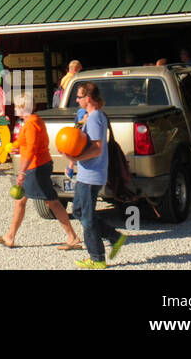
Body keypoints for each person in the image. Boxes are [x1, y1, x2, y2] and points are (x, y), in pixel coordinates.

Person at [0, 93, 80, 249]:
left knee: (51, 201)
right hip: (40, 165)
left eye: (17, 106)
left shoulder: (30, 124)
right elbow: (26, 141)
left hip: (36, 167)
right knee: (23, 201)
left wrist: (22, 172)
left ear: (21, 108)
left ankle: (72, 237)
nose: (15, 109)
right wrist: (16, 146)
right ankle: (10, 236)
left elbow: (32, 149)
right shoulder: (34, 121)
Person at [70, 82, 128, 269]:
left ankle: (97, 259)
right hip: (86, 174)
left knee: (86, 219)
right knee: (79, 211)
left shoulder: (95, 118)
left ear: (88, 98)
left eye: (79, 97)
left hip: (91, 175)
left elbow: (96, 148)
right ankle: (115, 236)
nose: (77, 100)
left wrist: (75, 157)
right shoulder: (93, 116)